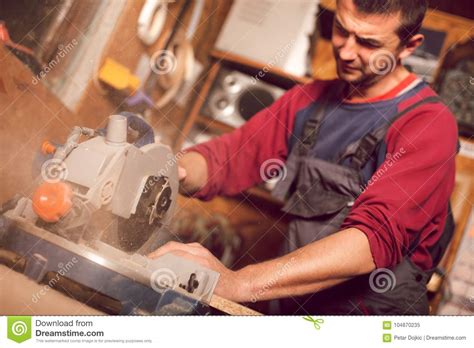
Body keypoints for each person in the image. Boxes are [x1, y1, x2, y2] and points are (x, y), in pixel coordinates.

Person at [149, 0, 458, 315]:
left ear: (409, 47)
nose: (346, 51)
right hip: (293, 310)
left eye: (367, 43)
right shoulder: (308, 101)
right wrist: (166, 169)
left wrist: (240, 283)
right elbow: (228, 157)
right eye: (341, 29)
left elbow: (371, 240)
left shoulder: (429, 125)